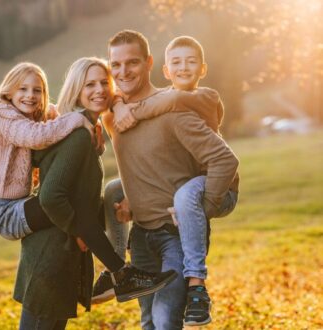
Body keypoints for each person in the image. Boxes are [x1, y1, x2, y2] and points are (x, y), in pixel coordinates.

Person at [13, 57, 177, 329]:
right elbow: (51, 197)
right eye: (90, 84)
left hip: (63, 252)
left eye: (104, 82)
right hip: (51, 254)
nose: (99, 89)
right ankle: (122, 274)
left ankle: (121, 274)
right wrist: (81, 231)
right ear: (76, 90)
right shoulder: (76, 135)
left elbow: (78, 198)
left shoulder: (88, 130)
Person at [94, 35, 240, 326]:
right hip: (140, 236)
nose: (123, 72)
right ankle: (115, 271)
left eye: (132, 63)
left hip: (175, 236)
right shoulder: (112, 117)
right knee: (148, 320)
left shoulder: (173, 109)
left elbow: (224, 161)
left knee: (164, 321)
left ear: (149, 63)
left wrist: (205, 208)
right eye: (116, 65)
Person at [0, 62, 94, 241]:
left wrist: (93, 119)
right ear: (9, 91)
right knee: (66, 204)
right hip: (5, 212)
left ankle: (107, 236)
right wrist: (78, 119)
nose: (30, 96)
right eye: (23, 89)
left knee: (80, 201)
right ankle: (106, 252)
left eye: (37, 90)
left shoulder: (36, 111)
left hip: (24, 201)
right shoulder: (2, 112)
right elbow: (36, 136)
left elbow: (64, 115)